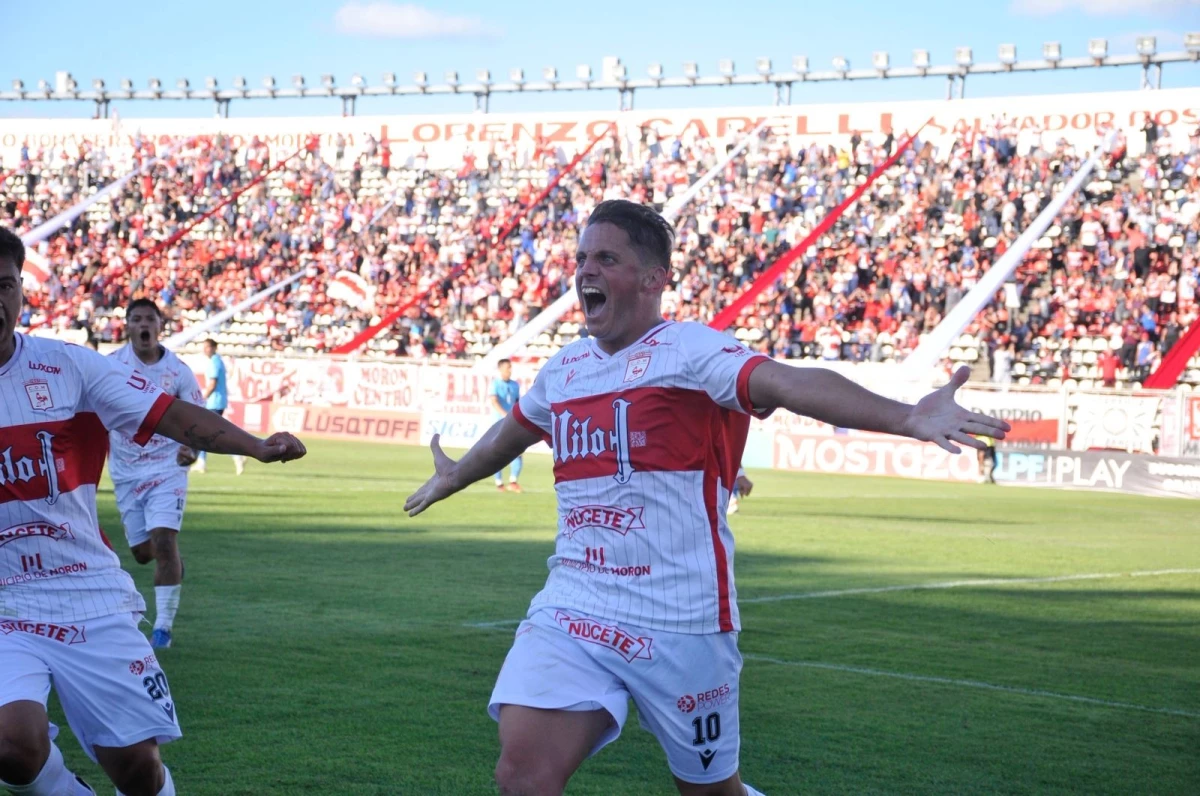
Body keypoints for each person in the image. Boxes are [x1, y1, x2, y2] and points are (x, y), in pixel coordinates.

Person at [404, 200, 1009, 796]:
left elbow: (789, 383)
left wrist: (905, 417)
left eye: (606, 259)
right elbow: (513, 432)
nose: (585, 270)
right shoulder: (564, 370)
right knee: (522, 775)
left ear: (654, 278)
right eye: (582, 257)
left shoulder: (691, 351)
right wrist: (455, 476)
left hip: (681, 622)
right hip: (575, 606)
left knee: (712, 794)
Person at [0, 228, 307, 796]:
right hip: (3, 600)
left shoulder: (68, 367)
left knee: (139, 770)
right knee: (12, 749)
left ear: (22, 290)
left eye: (5, 285)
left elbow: (171, 415)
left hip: (86, 590)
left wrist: (255, 446)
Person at [107, 299, 205, 649]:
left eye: (150, 319)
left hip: (167, 467)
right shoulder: (111, 366)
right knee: (142, 553)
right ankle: (172, 561)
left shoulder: (178, 372)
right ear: (127, 326)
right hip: (126, 471)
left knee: (164, 539)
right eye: (136, 319)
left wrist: (192, 448)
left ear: (160, 326)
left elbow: (197, 416)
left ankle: (162, 628)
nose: (143, 325)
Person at [192, 339, 245, 476]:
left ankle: (236, 455)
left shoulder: (215, 362)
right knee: (205, 433)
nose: (205, 349)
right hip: (216, 402)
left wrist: (202, 398)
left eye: (207, 347)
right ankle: (201, 462)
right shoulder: (217, 361)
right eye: (204, 347)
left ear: (214, 347)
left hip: (214, 402)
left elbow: (212, 384)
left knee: (211, 434)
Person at [489, 359, 522, 493]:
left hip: (512, 422)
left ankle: (513, 482)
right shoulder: (495, 384)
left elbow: (517, 402)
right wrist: (504, 414)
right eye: (508, 367)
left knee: (518, 451)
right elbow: (494, 401)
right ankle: (499, 483)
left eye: (510, 367)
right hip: (499, 423)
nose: (510, 370)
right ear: (500, 369)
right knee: (498, 453)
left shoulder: (515, 385)